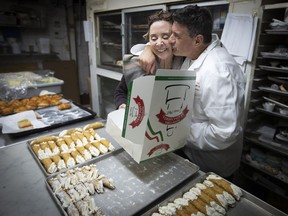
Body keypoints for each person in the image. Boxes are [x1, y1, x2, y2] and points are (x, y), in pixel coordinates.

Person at [138, 5, 246, 179]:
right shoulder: (192, 52)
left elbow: (225, 132)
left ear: (197, 40)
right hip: (189, 155)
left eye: (176, 36)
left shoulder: (217, 71)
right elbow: (158, 42)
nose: (170, 40)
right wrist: (148, 49)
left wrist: (178, 130)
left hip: (212, 165)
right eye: (171, 33)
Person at [114, 10, 183, 109]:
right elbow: (120, 92)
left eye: (165, 37)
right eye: (154, 38)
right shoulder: (138, 63)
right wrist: (122, 105)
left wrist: (147, 48)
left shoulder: (185, 60)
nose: (159, 43)